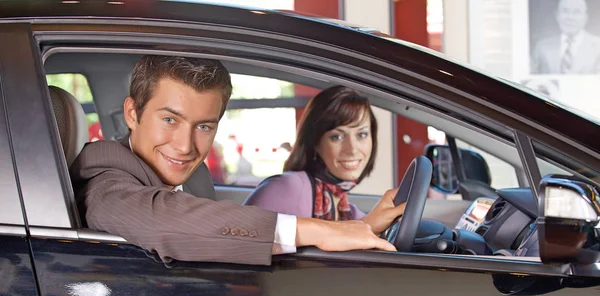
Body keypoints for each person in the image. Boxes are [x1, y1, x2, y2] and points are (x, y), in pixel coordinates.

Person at [70, 55, 402, 266]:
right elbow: (162, 218)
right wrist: (315, 230)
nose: (185, 146)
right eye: (169, 120)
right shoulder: (103, 176)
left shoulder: (193, 175)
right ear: (133, 112)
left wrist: (366, 226)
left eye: (203, 126)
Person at [244, 86, 405, 236]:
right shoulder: (287, 187)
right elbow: (237, 243)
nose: (352, 149)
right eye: (337, 137)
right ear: (316, 142)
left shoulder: (346, 209)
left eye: (361, 134)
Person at [531, 0, 600, 74]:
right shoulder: (542, 47)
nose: (570, 17)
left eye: (577, 12)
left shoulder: (597, 46)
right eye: (565, 11)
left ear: (585, 18)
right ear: (557, 16)